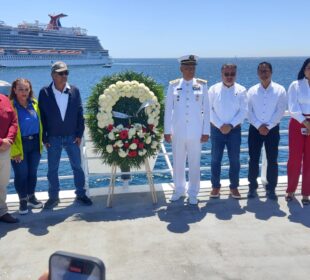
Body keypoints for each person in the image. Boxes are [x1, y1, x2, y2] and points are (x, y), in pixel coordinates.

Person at [38, 61, 92, 209]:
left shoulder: (74, 91)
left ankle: (81, 194)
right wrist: (44, 137)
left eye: (66, 72)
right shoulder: (45, 92)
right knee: (52, 169)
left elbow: (80, 114)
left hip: (72, 137)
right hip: (53, 138)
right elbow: (41, 117)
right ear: (53, 75)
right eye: (61, 73)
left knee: (77, 167)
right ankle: (53, 197)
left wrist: (79, 134)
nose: (64, 76)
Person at [164, 55, 210, 205]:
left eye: (193, 67)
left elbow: (207, 110)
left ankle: (193, 192)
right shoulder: (173, 86)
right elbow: (168, 109)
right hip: (178, 131)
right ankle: (178, 189)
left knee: (195, 163)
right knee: (178, 162)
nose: (191, 70)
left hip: (196, 132)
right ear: (181, 69)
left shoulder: (202, 85)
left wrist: (206, 131)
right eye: (188, 67)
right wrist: (166, 130)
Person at [247, 62, 287, 200]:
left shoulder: (280, 90)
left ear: (271, 72)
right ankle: (252, 187)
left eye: (266, 70)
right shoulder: (251, 91)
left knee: (272, 160)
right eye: (261, 71)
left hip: (273, 130)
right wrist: (259, 126)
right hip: (255, 129)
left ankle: (271, 189)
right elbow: (248, 111)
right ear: (258, 73)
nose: (264, 73)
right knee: (253, 159)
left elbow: (281, 110)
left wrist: (268, 126)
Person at [208, 64, 247, 199]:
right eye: (227, 74)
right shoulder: (213, 89)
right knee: (215, 160)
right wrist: (220, 125)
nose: (229, 77)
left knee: (235, 160)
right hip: (216, 130)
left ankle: (234, 187)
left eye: (232, 74)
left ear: (235, 74)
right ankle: (215, 187)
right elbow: (208, 110)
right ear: (221, 74)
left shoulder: (241, 90)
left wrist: (230, 125)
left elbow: (243, 111)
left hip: (234, 130)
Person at [9, 78, 44, 214]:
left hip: (35, 143)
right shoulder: (10, 106)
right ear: (14, 90)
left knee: (32, 173)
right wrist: (14, 151)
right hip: (19, 145)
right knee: (21, 174)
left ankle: (31, 197)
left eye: (26, 89)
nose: (24, 92)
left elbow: (41, 123)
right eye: (21, 89)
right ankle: (22, 200)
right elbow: (7, 129)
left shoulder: (34, 103)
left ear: (30, 90)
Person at [286, 57, 310, 205]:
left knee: (309, 160)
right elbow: (292, 108)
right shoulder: (295, 85)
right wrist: (306, 123)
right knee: (294, 159)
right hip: (297, 123)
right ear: (304, 69)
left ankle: (307, 192)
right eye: (309, 67)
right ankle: (290, 189)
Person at [0, 92, 19, 223]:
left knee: (2, 183)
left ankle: (2, 211)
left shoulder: (4, 99)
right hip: (2, 145)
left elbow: (13, 121)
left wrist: (9, 140)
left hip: (5, 150)